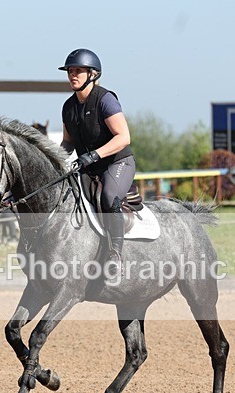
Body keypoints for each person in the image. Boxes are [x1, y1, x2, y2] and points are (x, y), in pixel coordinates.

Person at [59, 48, 135, 279]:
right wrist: (55, 162)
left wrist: (94, 155)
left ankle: (115, 255)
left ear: (92, 74)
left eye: (78, 71)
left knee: (109, 196)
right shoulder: (68, 107)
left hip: (117, 163)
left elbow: (123, 137)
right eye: (70, 71)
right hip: (87, 168)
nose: (73, 75)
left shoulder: (105, 99)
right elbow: (67, 143)